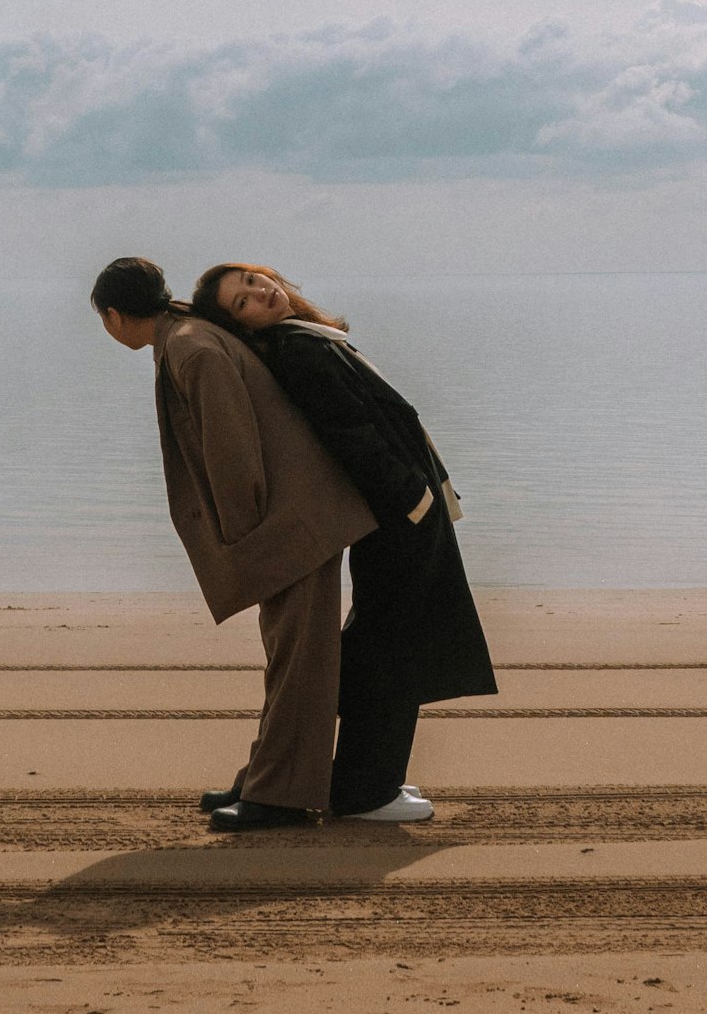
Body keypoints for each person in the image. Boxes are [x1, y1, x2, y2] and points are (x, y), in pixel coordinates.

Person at [189, 262, 497, 823]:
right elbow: (349, 433)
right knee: (394, 649)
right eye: (242, 302)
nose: (261, 293)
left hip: (395, 513)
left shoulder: (306, 338)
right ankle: (365, 791)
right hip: (399, 515)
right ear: (243, 326)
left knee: (379, 645)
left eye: (255, 281)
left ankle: (324, 776)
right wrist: (413, 499)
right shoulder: (299, 350)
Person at [89, 256, 386, 833]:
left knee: (301, 660)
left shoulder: (191, 346)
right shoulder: (186, 333)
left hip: (290, 523)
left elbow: (232, 447)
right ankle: (267, 777)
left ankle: (283, 797)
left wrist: (246, 538)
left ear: (114, 316)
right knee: (290, 655)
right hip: (297, 512)